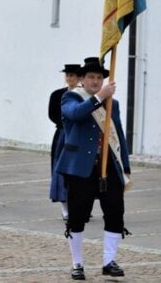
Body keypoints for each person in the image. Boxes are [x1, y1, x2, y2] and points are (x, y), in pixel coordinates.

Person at [55, 57, 130, 280]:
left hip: (108, 167)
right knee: (78, 217)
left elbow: (119, 136)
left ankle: (109, 261)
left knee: (115, 213)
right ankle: (77, 263)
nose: (96, 81)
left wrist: (125, 166)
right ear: (81, 80)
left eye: (99, 78)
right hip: (80, 168)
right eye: (91, 77)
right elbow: (76, 114)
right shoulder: (70, 97)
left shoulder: (112, 103)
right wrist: (99, 97)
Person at [49, 63, 81, 220]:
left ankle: (81, 204)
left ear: (79, 78)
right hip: (63, 134)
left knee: (80, 170)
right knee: (60, 170)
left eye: (73, 75)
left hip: (80, 135)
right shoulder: (57, 95)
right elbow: (52, 114)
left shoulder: (84, 95)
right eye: (67, 75)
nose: (70, 78)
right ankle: (65, 206)